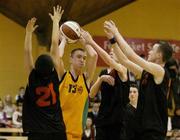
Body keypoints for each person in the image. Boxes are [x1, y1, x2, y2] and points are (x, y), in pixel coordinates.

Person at [103, 20, 173, 140]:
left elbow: (131, 55)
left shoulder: (160, 71)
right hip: (142, 128)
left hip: (154, 131)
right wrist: (112, 40)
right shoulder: (147, 72)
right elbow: (124, 61)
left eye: (153, 50)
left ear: (159, 55)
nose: (149, 51)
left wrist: (116, 33)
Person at [22, 5, 67, 140]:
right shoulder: (55, 76)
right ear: (52, 67)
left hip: (37, 130)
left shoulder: (32, 77)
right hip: (56, 129)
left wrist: (29, 33)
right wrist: (56, 21)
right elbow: (54, 44)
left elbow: (27, 52)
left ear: (36, 66)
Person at [50, 18, 98, 140]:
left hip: (77, 133)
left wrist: (82, 39)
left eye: (84, 58)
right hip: (59, 132)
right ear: (70, 59)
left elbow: (94, 55)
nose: (82, 60)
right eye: (79, 57)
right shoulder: (63, 76)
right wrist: (65, 40)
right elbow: (57, 57)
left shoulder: (86, 79)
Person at [81, 30, 129, 140]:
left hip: (118, 121)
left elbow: (108, 60)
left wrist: (91, 42)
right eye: (110, 51)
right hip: (103, 119)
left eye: (114, 52)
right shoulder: (103, 72)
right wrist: (101, 79)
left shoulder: (123, 70)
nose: (111, 52)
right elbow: (91, 94)